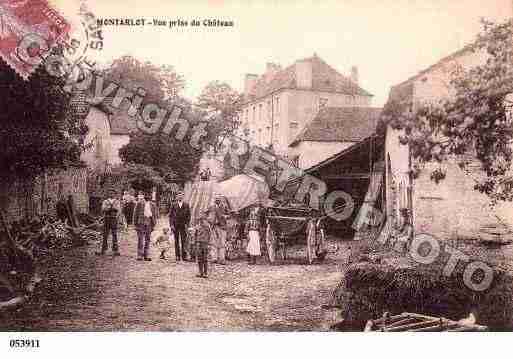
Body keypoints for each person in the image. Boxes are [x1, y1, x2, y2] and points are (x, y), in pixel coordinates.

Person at [133, 192, 158, 261]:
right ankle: (139, 255)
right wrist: (135, 224)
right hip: (141, 223)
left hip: (149, 223)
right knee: (140, 239)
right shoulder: (139, 203)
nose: (147, 196)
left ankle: (146, 255)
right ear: (144, 196)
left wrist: (154, 224)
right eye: (146, 195)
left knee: (147, 239)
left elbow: (155, 215)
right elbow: (135, 214)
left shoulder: (153, 205)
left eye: (149, 195)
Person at [97, 189, 121, 256]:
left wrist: (115, 215)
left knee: (114, 234)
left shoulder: (117, 201)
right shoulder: (105, 201)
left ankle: (115, 250)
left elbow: (118, 210)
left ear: (115, 194)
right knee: (105, 234)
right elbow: (103, 209)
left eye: (112, 193)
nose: (111, 194)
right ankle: (103, 249)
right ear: (108, 194)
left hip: (113, 219)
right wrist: (111, 209)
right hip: (106, 219)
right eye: (110, 193)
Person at [169, 192, 191, 262]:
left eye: (181, 196)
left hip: (183, 225)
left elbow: (189, 215)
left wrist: (187, 224)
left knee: (184, 240)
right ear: (176, 197)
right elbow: (171, 216)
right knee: (176, 241)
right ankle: (177, 256)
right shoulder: (173, 205)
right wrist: (171, 225)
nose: (180, 197)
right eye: (178, 196)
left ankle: (184, 256)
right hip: (175, 225)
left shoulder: (186, 205)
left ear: (183, 197)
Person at [209, 196, 228, 265]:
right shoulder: (211, 207)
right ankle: (214, 258)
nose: (217, 200)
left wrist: (225, 216)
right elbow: (208, 214)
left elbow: (229, 214)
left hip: (222, 227)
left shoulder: (224, 207)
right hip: (214, 226)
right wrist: (210, 221)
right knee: (213, 243)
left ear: (221, 200)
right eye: (216, 199)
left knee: (222, 243)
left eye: (218, 199)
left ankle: (222, 258)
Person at [195, 213, 212, 278]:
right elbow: (195, 235)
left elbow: (210, 235)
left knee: (205, 258)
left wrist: (209, 244)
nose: (201, 221)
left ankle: (205, 273)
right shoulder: (197, 226)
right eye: (200, 219)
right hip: (199, 243)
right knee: (199, 258)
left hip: (205, 243)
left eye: (202, 219)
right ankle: (200, 272)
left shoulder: (207, 226)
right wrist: (195, 242)